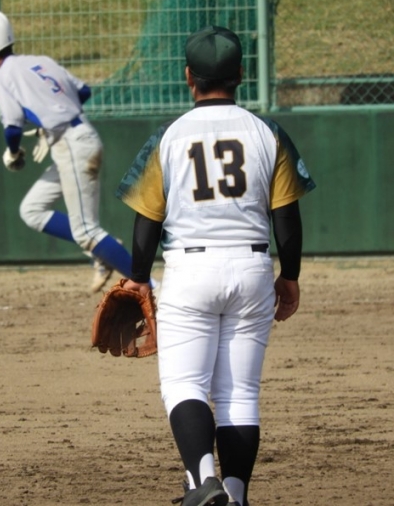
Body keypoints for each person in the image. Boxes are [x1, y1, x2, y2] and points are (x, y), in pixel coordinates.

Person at [116, 26, 316, 506]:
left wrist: (139, 278)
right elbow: (286, 219)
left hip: (189, 270)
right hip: (251, 267)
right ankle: (236, 494)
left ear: (189, 76)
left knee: (185, 384)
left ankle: (204, 479)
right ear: (241, 74)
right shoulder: (267, 132)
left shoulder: (169, 136)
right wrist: (289, 276)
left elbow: (147, 223)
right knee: (239, 394)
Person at [0, 8, 150, 293]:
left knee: (86, 230)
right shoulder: (40, 61)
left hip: (72, 144)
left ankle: (152, 287)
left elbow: (12, 127)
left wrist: (13, 152)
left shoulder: (1, 78)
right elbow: (83, 91)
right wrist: (51, 120)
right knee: (32, 210)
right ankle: (103, 250)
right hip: (77, 137)